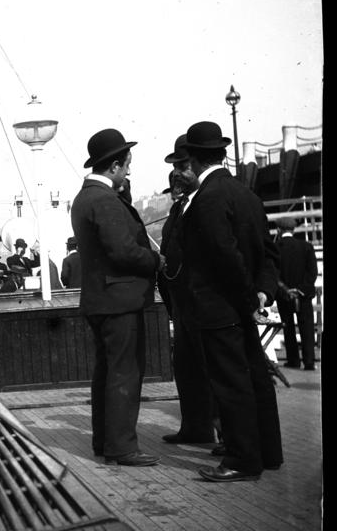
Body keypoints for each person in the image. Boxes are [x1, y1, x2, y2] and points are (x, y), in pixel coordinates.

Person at [177, 121, 283, 483]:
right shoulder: (246, 195)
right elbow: (268, 254)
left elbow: (226, 257)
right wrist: (261, 294)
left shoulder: (207, 200)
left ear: (194, 157)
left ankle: (240, 460)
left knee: (231, 384)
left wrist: (243, 298)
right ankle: (268, 453)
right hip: (243, 306)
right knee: (256, 379)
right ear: (222, 153)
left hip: (219, 308)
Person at [70, 128, 163, 467]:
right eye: (126, 165)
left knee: (107, 373)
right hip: (119, 301)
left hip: (99, 299)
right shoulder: (105, 200)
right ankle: (122, 447)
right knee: (124, 373)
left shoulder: (86, 198)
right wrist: (155, 259)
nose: (128, 172)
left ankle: (104, 441)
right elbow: (123, 251)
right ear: (113, 166)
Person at [157, 137, 221, 448]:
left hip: (201, 302)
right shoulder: (179, 208)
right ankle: (195, 427)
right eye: (174, 169)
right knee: (187, 368)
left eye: (183, 166)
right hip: (181, 302)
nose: (177, 174)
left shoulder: (205, 203)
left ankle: (225, 433)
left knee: (212, 369)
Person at [275, 216, 318, 370]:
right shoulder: (306, 246)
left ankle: (293, 360)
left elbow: (274, 273)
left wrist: (286, 290)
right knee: (306, 327)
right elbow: (312, 272)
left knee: (288, 328)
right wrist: (300, 290)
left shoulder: (275, 248)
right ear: (293, 229)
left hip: (284, 294)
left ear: (279, 230)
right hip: (303, 295)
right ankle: (309, 361)